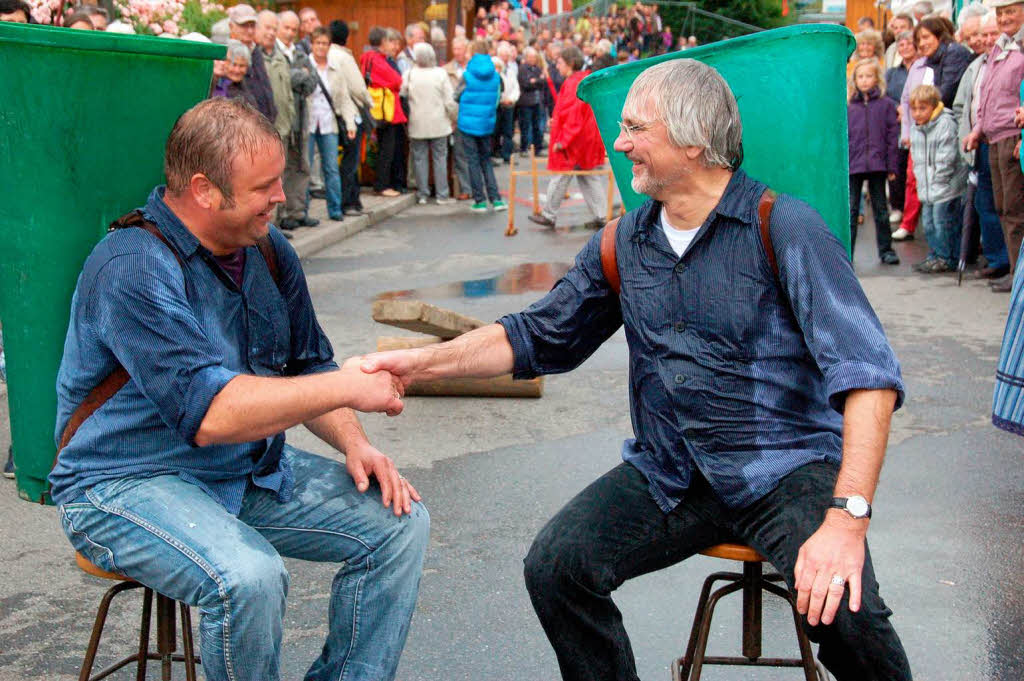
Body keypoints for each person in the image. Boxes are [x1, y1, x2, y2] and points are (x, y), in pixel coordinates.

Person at [360, 58, 912, 681]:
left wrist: (847, 519)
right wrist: (420, 363)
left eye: (634, 129)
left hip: (783, 468)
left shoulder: (782, 227)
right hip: (670, 474)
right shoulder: (622, 242)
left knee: (846, 611)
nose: (619, 143)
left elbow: (868, 377)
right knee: (557, 568)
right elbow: (539, 336)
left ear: (694, 140)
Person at [49, 97, 429, 681]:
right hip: (120, 485)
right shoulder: (131, 266)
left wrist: (353, 441)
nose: (282, 196)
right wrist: (349, 390)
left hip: (237, 471)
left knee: (400, 525)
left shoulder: (268, 250)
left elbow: (309, 365)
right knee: (248, 577)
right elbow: (214, 413)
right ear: (204, 190)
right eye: (265, 186)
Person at [965, 0, 1024, 292]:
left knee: (1014, 210)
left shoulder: (1021, 47)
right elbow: (988, 94)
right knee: (1003, 208)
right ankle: (1015, 271)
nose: (1004, 18)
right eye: (1000, 13)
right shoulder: (1001, 47)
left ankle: (1019, 276)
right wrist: (977, 129)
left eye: (1010, 11)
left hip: (1013, 138)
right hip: (994, 138)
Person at [953, 10, 1010, 280]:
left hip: (1003, 139)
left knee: (1006, 205)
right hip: (980, 143)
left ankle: (1007, 262)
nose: (986, 39)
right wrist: (969, 131)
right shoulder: (976, 65)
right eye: (980, 34)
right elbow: (965, 104)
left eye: (990, 33)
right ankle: (997, 258)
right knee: (986, 204)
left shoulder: (1010, 60)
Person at [528, 46, 605, 230]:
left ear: (570, 64)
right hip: (585, 137)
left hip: (576, 140)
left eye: (560, 62)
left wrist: (563, 140)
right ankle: (601, 215)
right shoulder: (579, 80)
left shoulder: (573, 83)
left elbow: (574, 116)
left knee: (562, 175)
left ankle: (549, 214)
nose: (557, 66)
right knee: (588, 177)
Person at [909, 84, 967, 273]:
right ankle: (936, 254)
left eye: (922, 108)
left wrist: (939, 181)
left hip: (946, 187)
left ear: (934, 107)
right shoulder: (916, 129)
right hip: (927, 187)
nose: (917, 113)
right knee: (929, 224)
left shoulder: (945, 124)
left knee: (943, 223)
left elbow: (947, 158)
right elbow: (917, 159)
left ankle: (947, 257)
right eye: (914, 109)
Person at [848, 58, 901, 264]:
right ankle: (847, 253)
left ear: (877, 78)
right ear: (854, 80)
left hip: (878, 164)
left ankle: (886, 250)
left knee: (880, 208)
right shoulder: (849, 106)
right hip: (855, 164)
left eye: (868, 76)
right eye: (860, 76)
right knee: (852, 210)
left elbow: (891, 136)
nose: (864, 80)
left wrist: (892, 165)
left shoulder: (887, 105)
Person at [275, 9, 320, 232]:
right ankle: (281, 216)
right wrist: (298, 75)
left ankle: (298, 211)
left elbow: (312, 83)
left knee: (301, 166)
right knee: (280, 169)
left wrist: (296, 75)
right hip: (281, 120)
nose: (291, 33)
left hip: (302, 119)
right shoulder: (273, 52)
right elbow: (280, 80)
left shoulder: (301, 53)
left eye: (294, 29)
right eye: (287, 28)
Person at [307, 26, 356, 222]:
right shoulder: (304, 65)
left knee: (331, 168)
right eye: (318, 43)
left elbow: (344, 98)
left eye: (325, 43)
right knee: (306, 168)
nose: (321, 47)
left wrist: (350, 123)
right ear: (312, 44)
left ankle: (335, 209)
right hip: (308, 124)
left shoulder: (335, 69)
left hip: (329, 123)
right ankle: (303, 212)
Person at [454, 39, 507, 212]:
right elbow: (498, 98)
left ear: (473, 52)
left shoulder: (467, 74)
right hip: (487, 121)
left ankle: (479, 200)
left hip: (467, 123)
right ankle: (496, 199)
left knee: (473, 162)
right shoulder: (496, 75)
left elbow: (456, 95)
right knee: (486, 160)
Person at [401, 42, 457, 205]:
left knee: (419, 158)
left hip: (417, 123)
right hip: (439, 123)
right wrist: (453, 118)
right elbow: (449, 101)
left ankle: (423, 193)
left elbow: (403, 93)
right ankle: (442, 194)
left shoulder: (409, 74)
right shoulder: (440, 74)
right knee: (440, 158)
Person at [328, 20, 372, 216]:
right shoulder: (344, 57)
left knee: (339, 160)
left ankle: (346, 200)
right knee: (351, 160)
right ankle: (350, 201)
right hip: (351, 113)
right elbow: (358, 88)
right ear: (346, 37)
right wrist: (369, 102)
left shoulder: (326, 54)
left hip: (332, 113)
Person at [360, 26, 408, 198]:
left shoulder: (367, 58)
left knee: (384, 147)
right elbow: (397, 81)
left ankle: (383, 183)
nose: (392, 45)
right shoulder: (378, 60)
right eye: (389, 41)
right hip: (387, 109)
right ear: (382, 42)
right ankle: (382, 185)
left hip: (380, 108)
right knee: (387, 148)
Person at [886, 30, 917, 226]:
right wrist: (896, 107)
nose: (904, 48)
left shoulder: (923, 68)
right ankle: (897, 206)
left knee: (912, 171)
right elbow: (884, 93)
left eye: (908, 43)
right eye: (901, 44)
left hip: (917, 121)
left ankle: (912, 210)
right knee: (896, 167)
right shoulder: (892, 73)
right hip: (897, 124)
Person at [228, 4, 278, 124]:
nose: (249, 31)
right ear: (231, 26)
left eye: (252, 26)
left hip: (265, 124)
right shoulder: (227, 53)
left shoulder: (256, 51)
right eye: (244, 26)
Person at [444, 36, 473, 199]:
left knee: (474, 154)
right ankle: (466, 188)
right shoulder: (446, 70)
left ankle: (476, 186)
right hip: (457, 116)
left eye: (459, 49)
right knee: (460, 154)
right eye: (454, 49)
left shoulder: (473, 69)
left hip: (472, 115)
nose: (456, 52)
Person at [210, 40, 257, 108]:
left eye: (242, 66)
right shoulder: (214, 84)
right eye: (234, 64)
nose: (237, 70)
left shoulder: (249, 90)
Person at [494, 41, 520, 165]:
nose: (504, 58)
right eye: (502, 55)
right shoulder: (494, 68)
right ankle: (495, 152)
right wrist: (501, 99)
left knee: (508, 131)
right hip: (498, 105)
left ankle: (507, 154)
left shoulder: (511, 70)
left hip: (509, 104)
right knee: (496, 130)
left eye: (506, 56)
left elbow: (516, 87)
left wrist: (512, 99)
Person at [517, 46, 546, 157]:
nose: (533, 59)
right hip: (526, 102)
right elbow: (525, 83)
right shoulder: (522, 69)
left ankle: (537, 148)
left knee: (537, 126)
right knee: (525, 126)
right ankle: (524, 148)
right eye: (531, 57)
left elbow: (542, 81)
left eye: (534, 57)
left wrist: (535, 81)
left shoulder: (537, 69)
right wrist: (536, 81)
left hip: (537, 101)